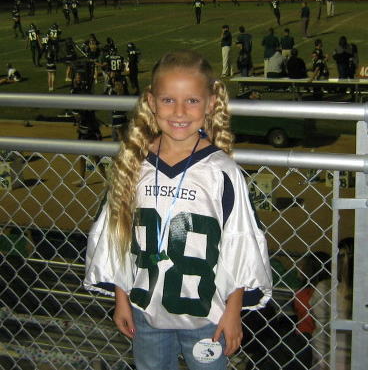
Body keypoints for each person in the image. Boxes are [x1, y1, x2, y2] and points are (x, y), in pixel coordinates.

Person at [84, 49, 272, 370]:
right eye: (168, 100)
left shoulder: (220, 171)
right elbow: (116, 235)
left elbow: (240, 243)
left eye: (192, 101)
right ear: (151, 101)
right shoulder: (134, 166)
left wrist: (233, 309)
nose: (180, 111)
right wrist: (121, 297)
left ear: (211, 103)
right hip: (146, 310)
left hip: (206, 316)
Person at [310, 238, 353, 370]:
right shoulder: (325, 288)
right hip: (326, 357)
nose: (346, 262)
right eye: (341, 257)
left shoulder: (325, 288)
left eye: (349, 256)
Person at [72, 107, 107, 187]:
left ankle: (105, 179)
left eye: (76, 115)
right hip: (84, 136)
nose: (75, 117)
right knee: (82, 157)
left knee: (96, 158)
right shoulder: (82, 118)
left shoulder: (89, 119)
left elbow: (94, 130)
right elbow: (80, 129)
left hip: (91, 137)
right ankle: (82, 179)